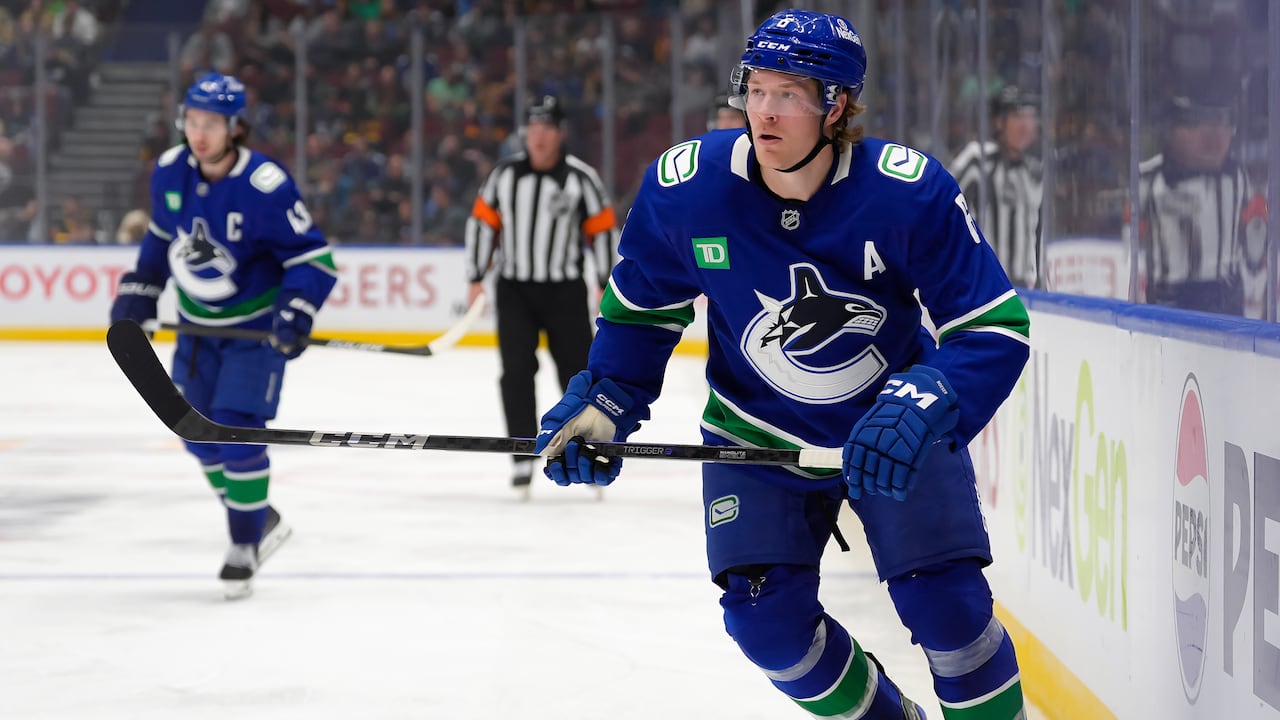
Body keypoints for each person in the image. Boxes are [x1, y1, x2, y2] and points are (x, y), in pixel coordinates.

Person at [533, 9, 1031, 719]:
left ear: (837, 107)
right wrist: (606, 400)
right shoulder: (687, 189)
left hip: (892, 433)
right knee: (766, 627)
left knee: (949, 611)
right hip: (755, 438)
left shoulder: (905, 191)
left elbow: (995, 327)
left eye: (789, 95)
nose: (763, 113)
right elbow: (642, 310)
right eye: (756, 88)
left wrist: (923, 400)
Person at [109, 73, 338, 599]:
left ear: (235, 128)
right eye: (192, 121)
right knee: (195, 433)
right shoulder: (170, 171)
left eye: (211, 124)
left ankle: (244, 542)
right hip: (196, 328)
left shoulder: (266, 186)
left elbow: (312, 259)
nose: (199, 133)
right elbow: (160, 239)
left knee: (234, 432)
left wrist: (296, 309)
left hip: (252, 333)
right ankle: (261, 516)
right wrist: (139, 290)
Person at [464, 94, 619, 499]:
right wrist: (476, 275)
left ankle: (585, 450)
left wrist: (605, 280)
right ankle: (520, 454)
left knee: (578, 374)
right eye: (532, 129)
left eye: (546, 128)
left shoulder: (580, 179)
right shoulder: (503, 177)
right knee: (515, 372)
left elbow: (602, 230)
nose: (539, 137)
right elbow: (482, 224)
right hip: (515, 289)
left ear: (559, 133)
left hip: (564, 291)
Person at [1132, 89, 1267, 318]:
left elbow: (1252, 231)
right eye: (1198, 125)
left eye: (1223, 125)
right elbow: (1131, 239)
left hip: (1224, 292)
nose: (1213, 137)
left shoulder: (1238, 177)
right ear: (1174, 132)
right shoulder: (1149, 177)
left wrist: (1255, 267)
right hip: (1171, 296)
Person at [950, 85, 1042, 288]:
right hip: (984, 287)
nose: (1026, 125)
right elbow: (943, 206)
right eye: (1018, 116)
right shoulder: (977, 160)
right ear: (999, 122)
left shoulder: (1034, 171)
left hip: (1026, 289)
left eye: (1031, 117)